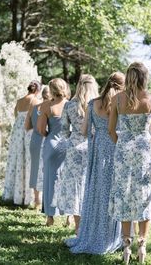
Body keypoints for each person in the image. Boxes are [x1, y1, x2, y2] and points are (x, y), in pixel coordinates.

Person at [66, 72, 125, 254]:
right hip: (114, 147)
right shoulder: (120, 104)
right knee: (111, 190)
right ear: (122, 87)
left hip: (97, 148)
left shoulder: (92, 104)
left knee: (96, 190)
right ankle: (111, 237)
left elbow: (84, 131)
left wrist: (96, 135)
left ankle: (91, 234)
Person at [108, 62, 151, 264]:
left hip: (124, 149)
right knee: (143, 194)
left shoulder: (117, 99)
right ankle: (143, 244)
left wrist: (122, 145)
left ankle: (126, 247)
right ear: (144, 77)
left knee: (124, 194)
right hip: (145, 151)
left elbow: (111, 131)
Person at [52, 74, 99, 234]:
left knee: (75, 188)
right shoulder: (98, 105)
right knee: (91, 185)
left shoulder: (70, 105)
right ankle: (91, 225)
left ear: (79, 85)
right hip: (93, 147)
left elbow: (64, 130)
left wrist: (72, 137)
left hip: (74, 147)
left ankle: (78, 227)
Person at [37, 78, 70, 226]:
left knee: (51, 181)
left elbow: (40, 129)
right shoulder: (70, 105)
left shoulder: (46, 106)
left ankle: (50, 218)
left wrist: (49, 136)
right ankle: (69, 216)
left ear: (51, 89)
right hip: (67, 145)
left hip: (51, 144)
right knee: (68, 180)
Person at [2, 80, 42, 205]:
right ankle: (28, 196)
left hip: (17, 132)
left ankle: (16, 193)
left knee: (17, 160)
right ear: (37, 90)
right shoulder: (36, 101)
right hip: (28, 131)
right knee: (28, 161)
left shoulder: (19, 101)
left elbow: (16, 115)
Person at [25, 86, 51, 209]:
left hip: (35, 140)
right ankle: (47, 201)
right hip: (46, 139)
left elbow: (26, 126)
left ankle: (36, 200)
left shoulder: (34, 107)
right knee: (47, 170)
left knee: (35, 169)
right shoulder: (51, 107)